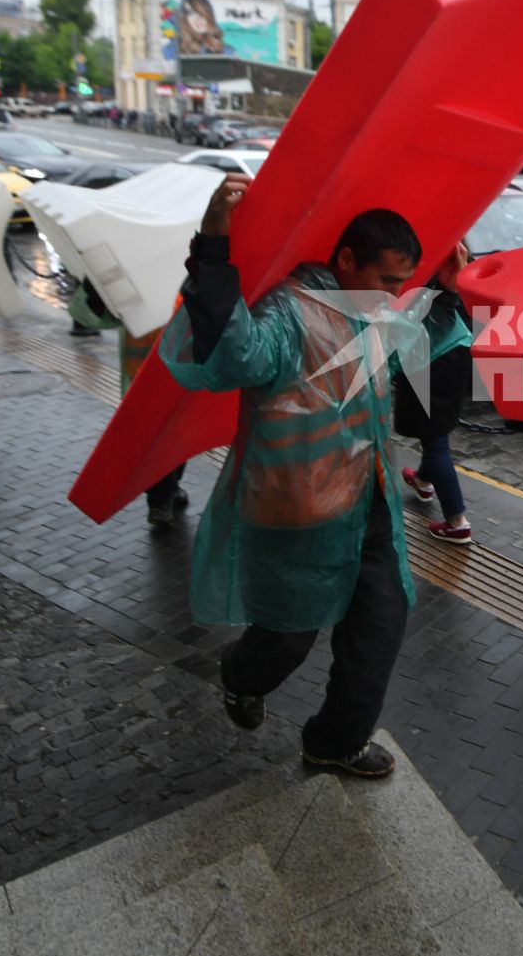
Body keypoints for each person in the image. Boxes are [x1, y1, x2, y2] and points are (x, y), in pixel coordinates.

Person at [160, 174, 425, 780]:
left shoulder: (374, 313)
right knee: (286, 637)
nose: (391, 296)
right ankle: (240, 675)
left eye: (400, 286)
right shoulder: (290, 310)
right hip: (298, 511)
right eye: (385, 281)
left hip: (371, 503)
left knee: (379, 631)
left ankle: (334, 742)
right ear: (347, 258)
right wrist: (212, 248)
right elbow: (236, 356)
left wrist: (454, 294)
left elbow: (421, 383)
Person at [67, 280, 188, 525]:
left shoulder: (137, 269)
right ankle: (160, 499)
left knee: (174, 435)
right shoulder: (135, 268)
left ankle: (169, 490)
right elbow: (89, 313)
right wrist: (95, 291)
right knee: (156, 439)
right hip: (159, 372)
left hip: (165, 369)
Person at [397, 243, 474, 544]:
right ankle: (423, 480)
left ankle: (457, 520)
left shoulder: (430, 266)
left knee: (435, 440)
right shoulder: (454, 251)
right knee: (436, 431)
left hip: (431, 356)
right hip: (454, 348)